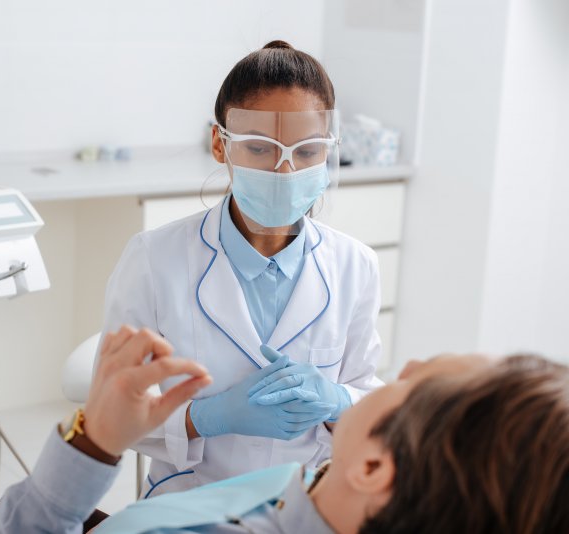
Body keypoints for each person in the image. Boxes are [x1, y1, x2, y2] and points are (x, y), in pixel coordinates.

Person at [0, 327, 569, 533]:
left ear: (377, 469)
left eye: (408, 381)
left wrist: (95, 439)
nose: (399, 367)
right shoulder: (332, 491)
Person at [98, 39, 383, 496]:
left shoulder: (356, 265)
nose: (285, 171)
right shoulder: (153, 259)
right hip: (188, 503)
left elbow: (368, 400)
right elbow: (110, 415)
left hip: (305, 502)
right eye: (260, 148)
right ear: (220, 144)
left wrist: (337, 402)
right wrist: (206, 417)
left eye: (307, 151)